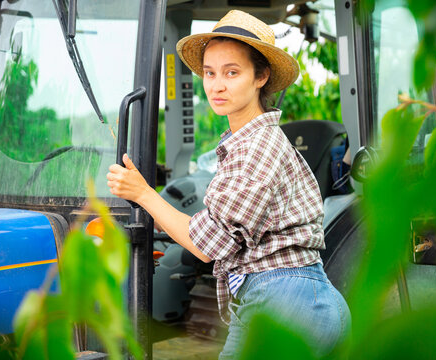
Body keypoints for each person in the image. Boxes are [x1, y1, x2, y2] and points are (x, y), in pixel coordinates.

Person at [107, 9, 351, 359]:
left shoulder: (257, 148)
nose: (216, 85)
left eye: (232, 72)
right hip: (293, 300)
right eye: (209, 72)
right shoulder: (244, 143)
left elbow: (205, 246)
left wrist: (143, 193)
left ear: (261, 76)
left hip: (285, 302)